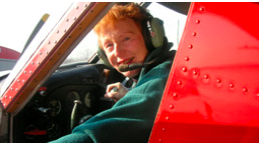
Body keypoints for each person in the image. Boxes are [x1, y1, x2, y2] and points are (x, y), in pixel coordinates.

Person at [50, 2, 175, 143]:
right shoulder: (164, 68)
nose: (117, 52)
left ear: (152, 38)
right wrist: (130, 98)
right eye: (109, 45)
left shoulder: (161, 77)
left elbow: (94, 137)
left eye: (126, 39)